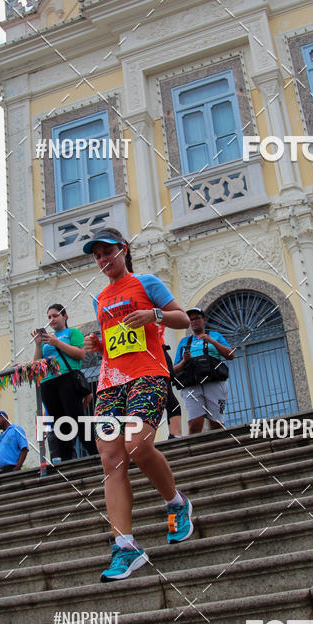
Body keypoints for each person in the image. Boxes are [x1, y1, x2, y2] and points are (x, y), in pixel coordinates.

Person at [82, 226, 193, 582]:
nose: (103, 260)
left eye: (107, 252)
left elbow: (183, 319)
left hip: (148, 372)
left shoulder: (146, 283)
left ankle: (176, 503)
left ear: (123, 250)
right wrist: (100, 346)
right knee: (111, 459)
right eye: (97, 255)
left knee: (138, 446)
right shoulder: (100, 298)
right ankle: (125, 546)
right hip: (110, 381)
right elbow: (116, 341)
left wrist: (154, 316)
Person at [32, 304, 85, 463]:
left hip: (67, 378)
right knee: (59, 423)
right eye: (49, 317)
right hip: (48, 382)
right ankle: (66, 458)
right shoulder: (45, 341)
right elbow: (36, 365)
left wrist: (57, 343)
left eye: (55, 316)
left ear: (65, 316)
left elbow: (81, 354)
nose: (52, 319)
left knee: (76, 418)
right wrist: (38, 344)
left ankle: (92, 450)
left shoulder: (72, 332)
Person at [173, 308, 234, 434]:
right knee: (194, 423)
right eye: (191, 319)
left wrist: (212, 341)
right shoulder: (184, 342)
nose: (194, 321)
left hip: (216, 383)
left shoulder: (215, 336)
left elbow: (231, 355)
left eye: (197, 318)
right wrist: (184, 361)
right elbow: (173, 370)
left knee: (218, 423)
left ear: (204, 319)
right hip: (192, 385)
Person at [158, 322, 182, 438]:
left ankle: (174, 435)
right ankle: (174, 435)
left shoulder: (156, 312)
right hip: (152, 356)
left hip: (160, 354)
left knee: (171, 401)